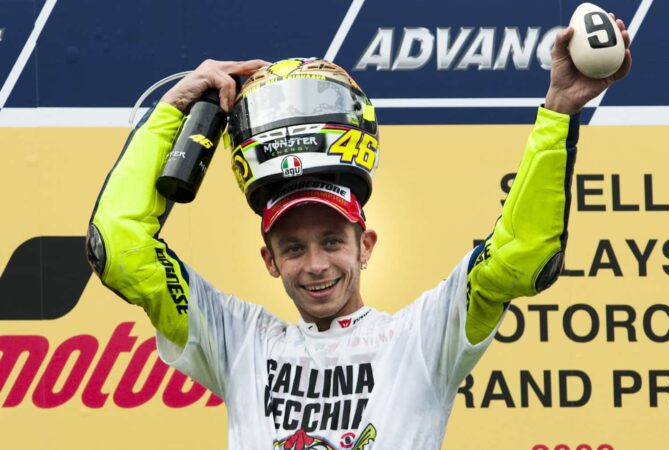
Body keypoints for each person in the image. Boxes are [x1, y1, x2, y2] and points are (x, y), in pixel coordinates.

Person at [85, 19, 631, 450]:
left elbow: (520, 256)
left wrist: (558, 110)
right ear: (270, 260)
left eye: (332, 241)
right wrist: (171, 112)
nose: (316, 264)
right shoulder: (240, 343)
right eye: (293, 248)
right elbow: (120, 250)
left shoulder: (420, 341)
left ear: (364, 246)